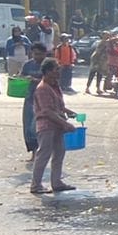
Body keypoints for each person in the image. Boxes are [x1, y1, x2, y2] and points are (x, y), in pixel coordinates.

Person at [30, 58, 77, 194]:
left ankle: (56, 182)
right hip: (47, 126)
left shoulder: (54, 85)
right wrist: (65, 123)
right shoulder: (43, 88)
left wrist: (69, 113)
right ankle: (36, 185)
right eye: (56, 69)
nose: (59, 71)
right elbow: (47, 111)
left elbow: (58, 106)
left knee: (59, 153)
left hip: (57, 125)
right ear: (48, 71)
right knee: (43, 155)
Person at [20, 43, 49, 155]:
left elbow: (52, 81)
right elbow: (21, 76)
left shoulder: (49, 65)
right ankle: (33, 152)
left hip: (44, 100)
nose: (36, 56)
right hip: (29, 98)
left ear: (44, 54)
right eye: (34, 54)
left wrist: (34, 80)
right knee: (28, 127)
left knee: (38, 127)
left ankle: (42, 151)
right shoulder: (28, 65)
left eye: (39, 54)